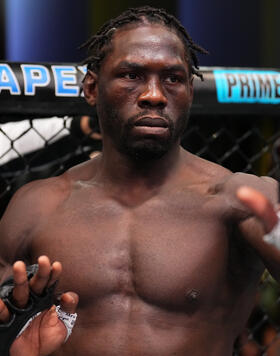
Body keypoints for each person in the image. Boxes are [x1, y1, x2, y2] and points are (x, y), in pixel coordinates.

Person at [0, 6, 279, 356]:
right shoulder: (36, 206)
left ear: (190, 92)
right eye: (131, 75)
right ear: (91, 88)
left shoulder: (238, 198)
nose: (154, 95)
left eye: (173, 78)